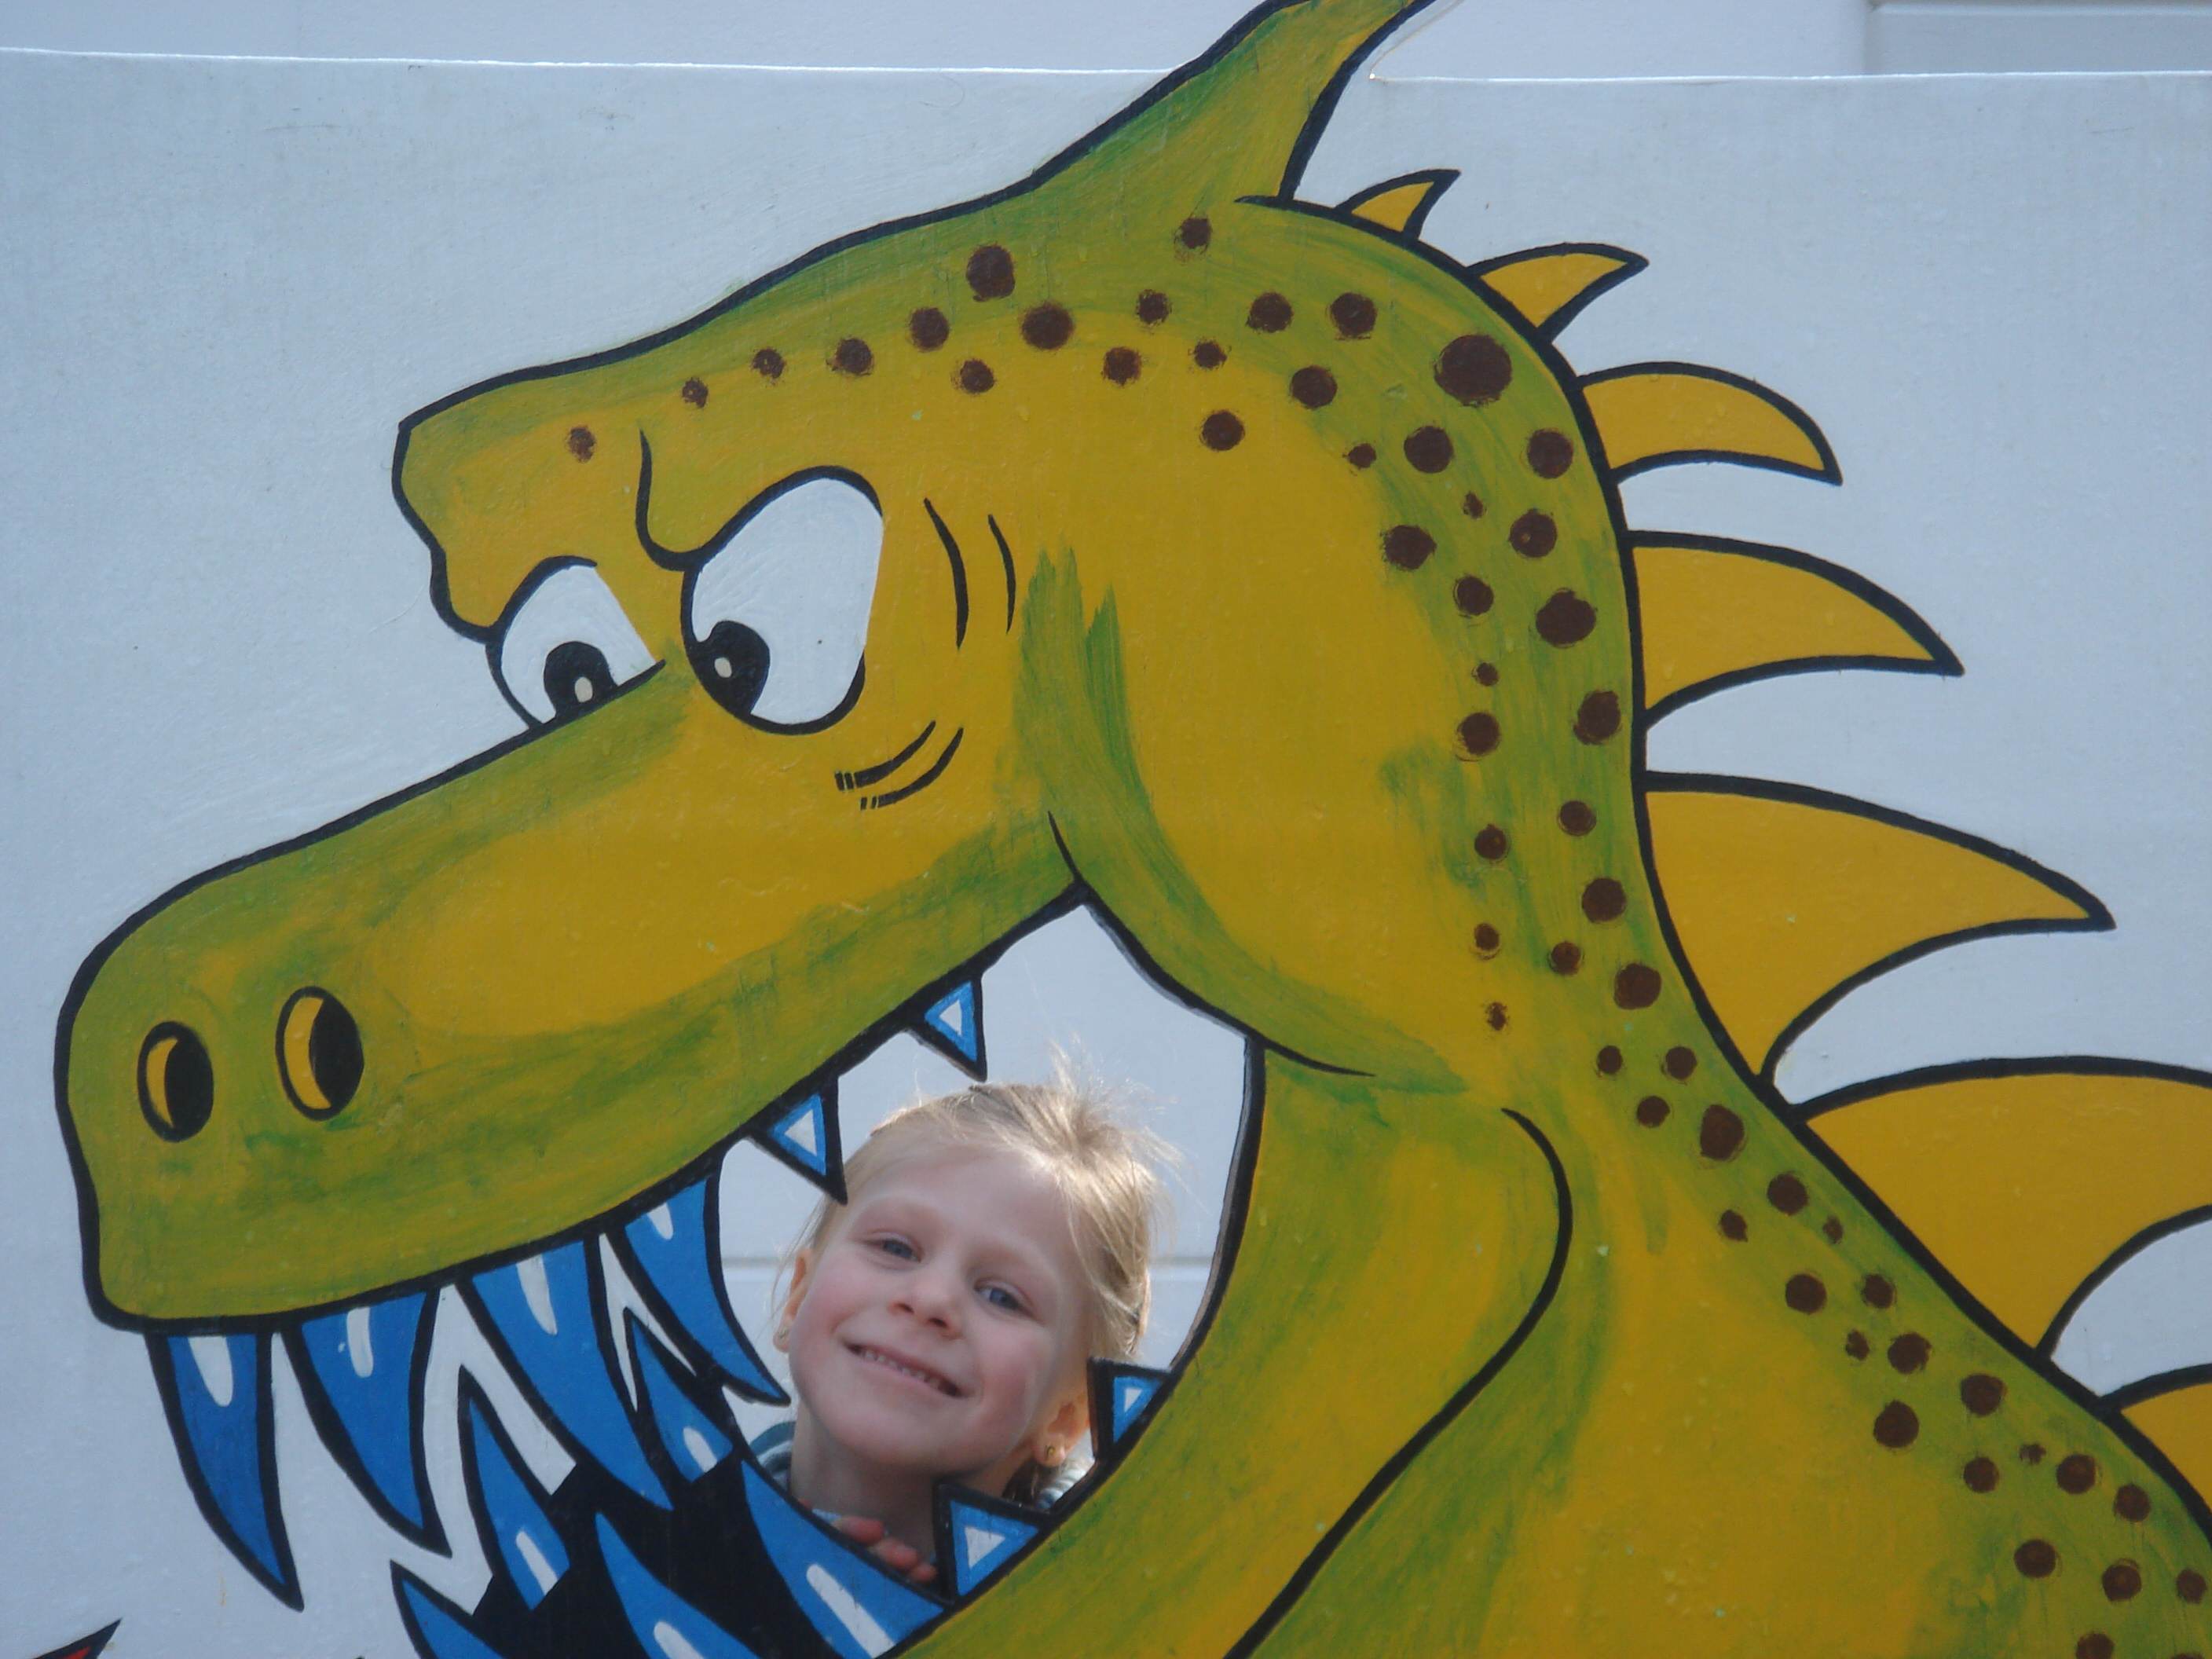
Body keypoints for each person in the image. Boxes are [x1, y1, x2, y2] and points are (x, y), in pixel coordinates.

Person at [764, 1077, 1167, 1583]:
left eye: (1002, 1297)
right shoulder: (674, 1534)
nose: (931, 1298)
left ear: (1066, 1418)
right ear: (797, 1297)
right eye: (895, 1248)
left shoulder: (1111, 1598)